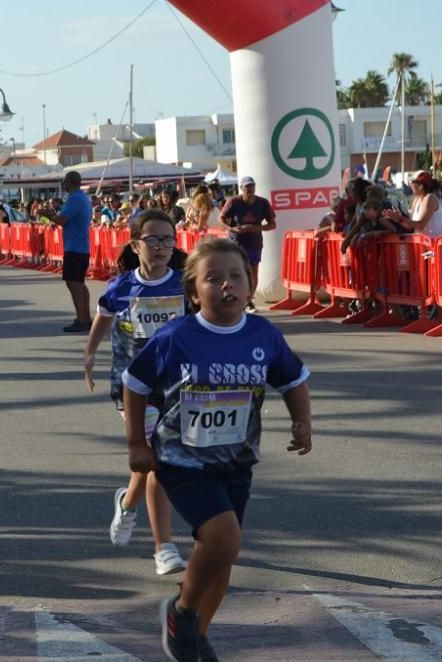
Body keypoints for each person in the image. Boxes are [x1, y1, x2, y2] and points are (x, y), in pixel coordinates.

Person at [122, 238, 311, 662]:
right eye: (213, 278)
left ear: (249, 285)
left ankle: (192, 640)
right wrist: (136, 442)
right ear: (194, 294)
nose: (226, 284)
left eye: (235, 276)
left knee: (223, 559)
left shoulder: (264, 334)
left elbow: (294, 378)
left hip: (236, 463)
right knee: (224, 539)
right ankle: (182, 612)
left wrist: (303, 422)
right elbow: (134, 383)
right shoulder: (177, 336)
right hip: (181, 459)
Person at [82, 210, 189, 576]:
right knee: (157, 456)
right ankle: (164, 548)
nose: (161, 247)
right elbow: (103, 317)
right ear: (135, 244)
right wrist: (90, 352)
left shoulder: (185, 285)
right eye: (152, 240)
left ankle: (127, 506)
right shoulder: (122, 287)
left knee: (155, 457)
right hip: (133, 387)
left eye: (167, 240)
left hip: (176, 386)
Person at [219, 176, 277, 309]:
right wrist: (231, 228)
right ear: (241, 188)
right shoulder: (233, 201)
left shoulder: (263, 203)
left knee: (252, 273)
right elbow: (221, 217)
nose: (250, 189)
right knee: (236, 271)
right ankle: (233, 298)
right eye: (247, 187)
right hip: (235, 244)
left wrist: (256, 228)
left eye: (252, 186)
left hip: (254, 244)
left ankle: (248, 301)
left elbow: (273, 225)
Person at [53, 171, 93, 332]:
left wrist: (48, 215)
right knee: (79, 283)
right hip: (80, 246)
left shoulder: (75, 198)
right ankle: (85, 317)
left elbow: (61, 219)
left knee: (74, 283)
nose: (64, 185)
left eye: (65, 182)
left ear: (70, 182)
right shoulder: (82, 198)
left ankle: (82, 319)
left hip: (75, 247)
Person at [382, 171, 442, 239]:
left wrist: (401, 218)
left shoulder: (430, 198)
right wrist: (397, 219)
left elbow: (421, 225)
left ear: (421, 186)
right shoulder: (416, 200)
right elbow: (411, 227)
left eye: (412, 183)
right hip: (429, 245)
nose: (410, 185)